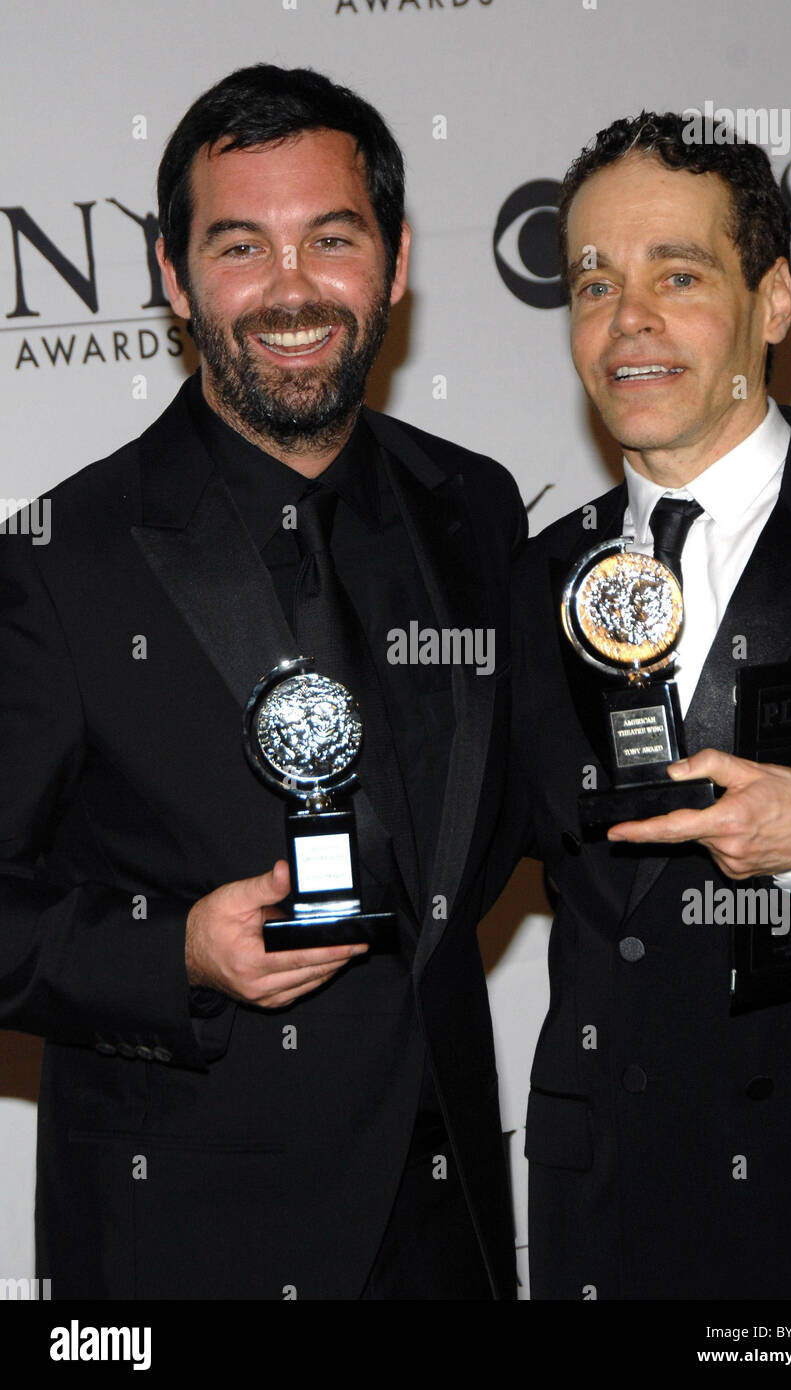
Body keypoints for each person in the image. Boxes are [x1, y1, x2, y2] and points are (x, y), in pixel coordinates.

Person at [0, 64, 525, 1300]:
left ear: (395, 261)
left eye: (331, 239)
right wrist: (171, 948)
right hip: (185, 1240)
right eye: (242, 246)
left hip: (447, 1224)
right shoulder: (61, 560)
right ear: (176, 281)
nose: (292, 290)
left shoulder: (479, 508)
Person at [496, 111, 791, 1299]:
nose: (629, 321)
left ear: (773, 301)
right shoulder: (529, 575)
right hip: (602, 1214)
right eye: (596, 281)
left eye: (679, 272)